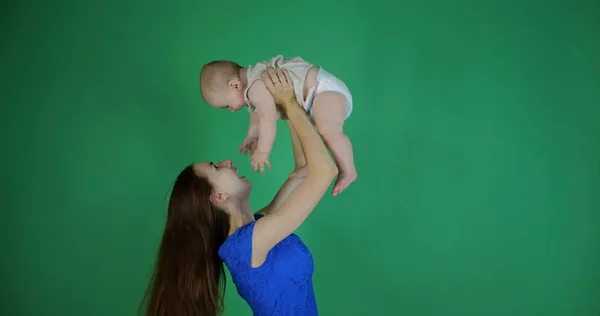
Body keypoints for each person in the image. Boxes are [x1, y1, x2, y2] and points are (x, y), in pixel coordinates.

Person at [141, 67, 338, 316]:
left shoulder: (256, 226)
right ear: (218, 197)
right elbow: (325, 171)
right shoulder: (246, 245)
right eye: (216, 167)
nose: (226, 161)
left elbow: (305, 170)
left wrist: (286, 105)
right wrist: (288, 102)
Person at [199, 54, 357, 196]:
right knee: (310, 135)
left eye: (227, 106)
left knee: (329, 130)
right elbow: (256, 114)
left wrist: (262, 151)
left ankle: (348, 170)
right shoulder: (253, 84)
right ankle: (310, 165)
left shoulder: (255, 87)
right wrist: (252, 135)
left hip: (323, 90)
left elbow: (267, 117)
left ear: (235, 85)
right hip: (312, 97)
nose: (232, 110)